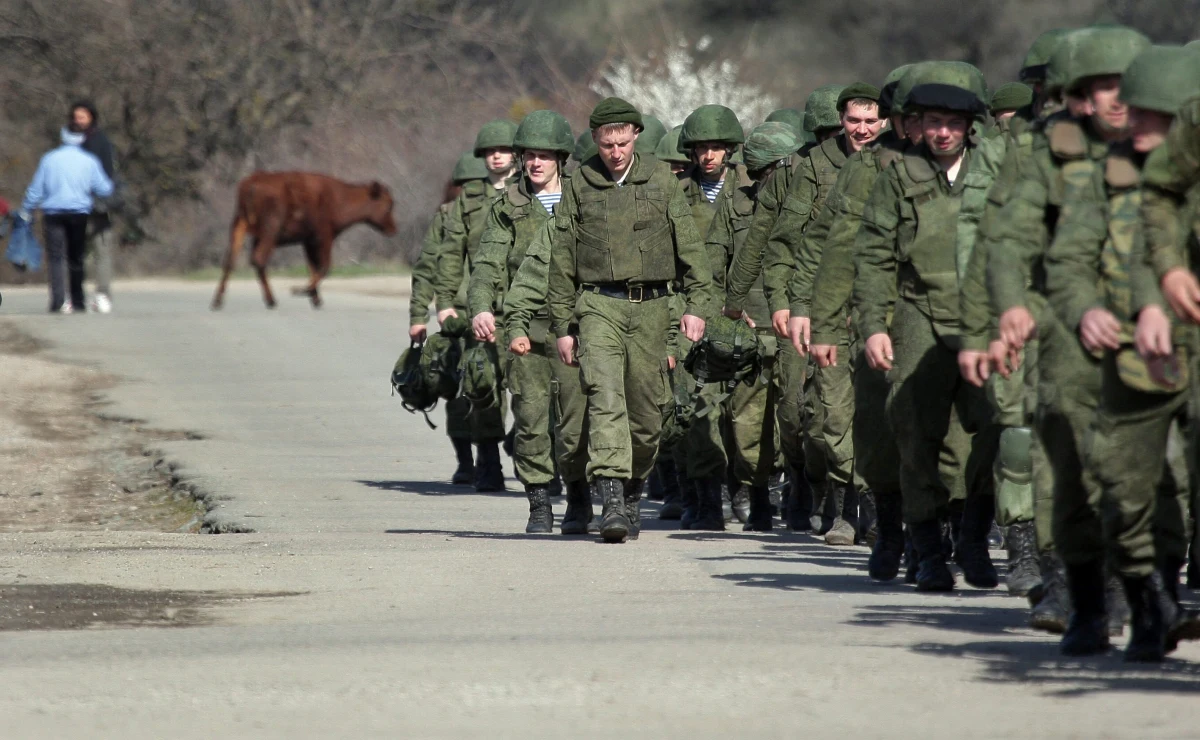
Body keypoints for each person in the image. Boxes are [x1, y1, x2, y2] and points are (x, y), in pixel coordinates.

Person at [976, 25, 1149, 633]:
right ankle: (1074, 589)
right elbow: (1008, 236)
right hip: (1062, 319)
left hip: (1156, 321)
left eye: (1123, 85)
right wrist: (1007, 311)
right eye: (1098, 88)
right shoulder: (1044, 150)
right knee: (1062, 458)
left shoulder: (1169, 147)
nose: (1114, 99)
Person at [1048, 45, 1200, 661]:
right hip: (1128, 350)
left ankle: (1162, 597)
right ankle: (1144, 603)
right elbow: (1070, 261)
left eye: (1148, 114)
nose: (1130, 122)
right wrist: (1087, 309)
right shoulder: (1099, 176)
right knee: (1119, 484)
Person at [855, 62, 1001, 592]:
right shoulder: (900, 174)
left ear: (969, 127)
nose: (941, 132)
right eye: (932, 121)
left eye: (952, 123)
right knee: (915, 432)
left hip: (982, 315)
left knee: (992, 426)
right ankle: (928, 550)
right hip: (918, 312)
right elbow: (872, 255)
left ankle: (974, 537)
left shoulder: (997, 171)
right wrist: (874, 325)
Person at [548, 97, 712, 544]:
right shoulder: (580, 184)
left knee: (646, 414)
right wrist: (564, 326)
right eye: (606, 144)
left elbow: (691, 249)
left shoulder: (661, 179)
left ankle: (635, 489)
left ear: (636, 136)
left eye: (622, 142)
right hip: (598, 305)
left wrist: (697, 306)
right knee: (605, 397)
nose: (615, 152)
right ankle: (612, 501)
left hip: (654, 308)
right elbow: (561, 258)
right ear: (595, 141)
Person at [720, 84, 844, 533]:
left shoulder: (873, 169)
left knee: (829, 411)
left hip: (851, 303)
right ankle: (796, 479)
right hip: (796, 306)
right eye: (828, 130)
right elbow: (760, 242)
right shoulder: (798, 175)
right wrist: (732, 303)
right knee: (792, 411)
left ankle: (833, 496)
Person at [782, 81, 886, 546]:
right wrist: (800, 305)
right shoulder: (821, 168)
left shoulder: (901, 166)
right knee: (834, 413)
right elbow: (808, 242)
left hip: (887, 311)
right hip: (835, 308)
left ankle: (879, 508)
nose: (862, 129)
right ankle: (847, 505)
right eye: (853, 120)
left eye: (870, 120)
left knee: (885, 411)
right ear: (840, 120)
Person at [468, 110, 578, 533]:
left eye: (544, 156)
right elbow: (488, 263)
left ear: (560, 159)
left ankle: (580, 500)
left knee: (576, 417)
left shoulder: (582, 201)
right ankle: (538, 502)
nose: (535, 164)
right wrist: (480, 306)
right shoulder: (508, 207)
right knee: (531, 416)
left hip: (577, 324)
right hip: (525, 324)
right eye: (529, 155)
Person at [703, 121, 803, 530]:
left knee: (798, 414)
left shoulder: (809, 202)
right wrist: (728, 307)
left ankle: (802, 487)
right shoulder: (737, 204)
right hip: (749, 328)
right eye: (767, 172)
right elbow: (712, 265)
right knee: (746, 421)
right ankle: (758, 494)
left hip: (796, 325)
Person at [432, 120, 519, 492]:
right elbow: (451, 255)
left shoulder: (533, 192)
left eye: (503, 149)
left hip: (528, 306)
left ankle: (540, 459)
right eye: (489, 151)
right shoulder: (467, 201)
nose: (496, 155)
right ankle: (488, 461)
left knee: (542, 391)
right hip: (482, 309)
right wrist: (446, 302)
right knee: (484, 386)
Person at [410, 151, 489, 484]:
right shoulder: (446, 216)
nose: (469, 193)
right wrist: (418, 314)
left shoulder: (505, 208)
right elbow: (428, 266)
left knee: (497, 389)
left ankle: (496, 453)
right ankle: (466, 460)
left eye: (477, 186)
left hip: (495, 310)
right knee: (456, 391)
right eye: (464, 186)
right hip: (455, 312)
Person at [20, 122, 114, 314]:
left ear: (63, 135)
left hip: (53, 213)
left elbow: (36, 189)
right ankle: (78, 300)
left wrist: (26, 208)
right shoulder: (89, 161)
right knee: (76, 257)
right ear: (81, 139)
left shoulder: (49, 159)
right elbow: (105, 188)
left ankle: (58, 300)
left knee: (56, 258)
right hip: (79, 213)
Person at [70, 101, 118, 314]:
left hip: (97, 204)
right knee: (76, 252)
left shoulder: (101, 141)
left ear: (92, 118)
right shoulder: (70, 141)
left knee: (102, 249)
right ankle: (75, 295)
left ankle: (103, 293)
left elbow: (107, 173)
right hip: (73, 203)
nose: (78, 121)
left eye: (82, 117)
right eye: (76, 117)